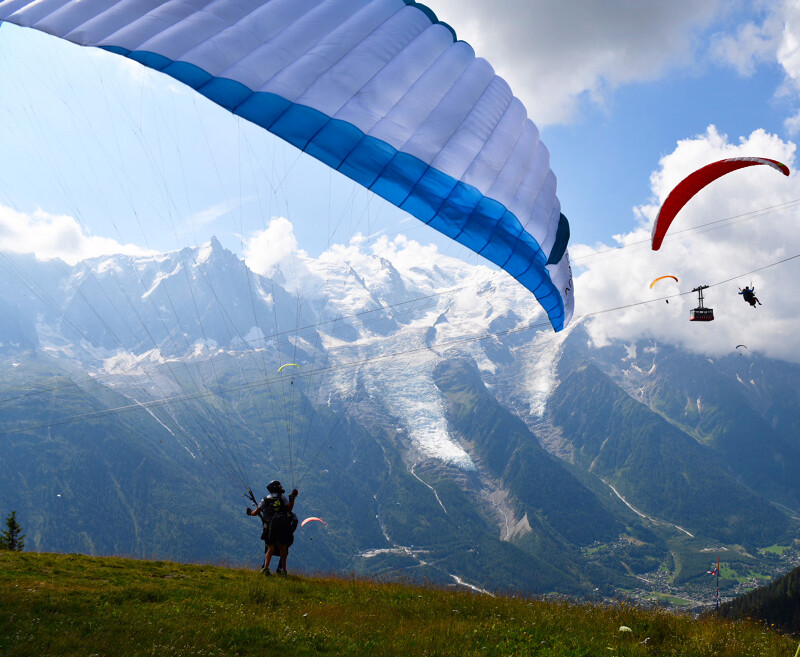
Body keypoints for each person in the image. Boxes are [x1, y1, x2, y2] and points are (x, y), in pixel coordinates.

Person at [247, 480, 298, 575]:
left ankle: (265, 568)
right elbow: (289, 509)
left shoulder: (265, 499)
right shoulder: (282, 497)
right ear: (275, 487)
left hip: (270, 527)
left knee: (270, 547)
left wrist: (250, 513)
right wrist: (292, 499)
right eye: (279, 486)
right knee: (283, 548)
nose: (281, 487)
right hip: (282, 525)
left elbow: (256, 512)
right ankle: (284, 571)